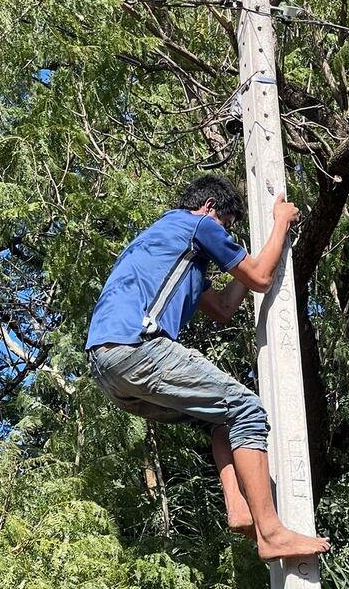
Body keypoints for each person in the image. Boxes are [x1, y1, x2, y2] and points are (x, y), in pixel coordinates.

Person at [86, 174, 330, 561]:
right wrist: (280, 222)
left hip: (107, 367)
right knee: (247, 408)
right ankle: (272, 533)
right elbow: (261, 279)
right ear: (211, 208)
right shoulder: (199, 224)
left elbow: (223, 308)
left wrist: (246, 255)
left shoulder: (162, 245)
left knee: (218, 419)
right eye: (228, 227)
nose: (226, 235)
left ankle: (238, 507)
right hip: (137, 347)